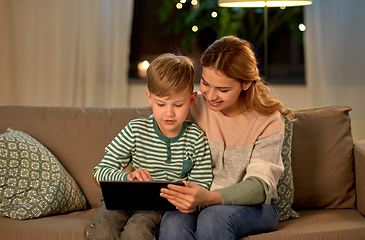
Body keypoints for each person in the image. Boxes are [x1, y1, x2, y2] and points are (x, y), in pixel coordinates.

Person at [158, 36, 293, 240]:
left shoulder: (268, 119)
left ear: (246, 84)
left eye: (223, 89)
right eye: (205, 83)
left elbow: (259, 186)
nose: (210, 95)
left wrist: (210, 198)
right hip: (197, 201)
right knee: (173, 222)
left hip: (255, 207)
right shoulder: (191, 107)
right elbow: (146, 136)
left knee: (213, 217)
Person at [87, 53, 213, 240]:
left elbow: (202, 185)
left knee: (137, 232)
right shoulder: (135, 130)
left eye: (178, 104)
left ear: (192, 99)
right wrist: (128, 177)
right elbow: (100, 172)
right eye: (161, 104)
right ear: (149, 97)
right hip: (120, 198)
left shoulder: (196, 138)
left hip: (156, 206)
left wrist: (192, 199)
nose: (169, 113)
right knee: (104, 231)